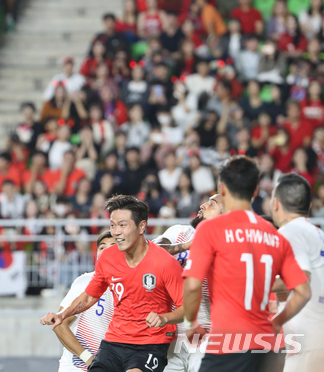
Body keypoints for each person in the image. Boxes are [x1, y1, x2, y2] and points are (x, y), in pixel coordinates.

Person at [183, 156, 311, 372]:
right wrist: (277, 321)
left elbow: (193, 285)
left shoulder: (210, 229)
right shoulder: (275, 235)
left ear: (223, 188)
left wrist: (190, 324)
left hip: (229, 341)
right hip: (269, 345)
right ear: (255, 191)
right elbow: (304, 291)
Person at [41, 195, 185, 372]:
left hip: (150, 344)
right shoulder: (108, 258)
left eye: (122, 225)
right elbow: (89, 296)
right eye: (112, 225)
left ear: (142, 226)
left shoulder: (165, 263)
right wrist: (62, 315)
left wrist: (164, 318)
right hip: (114, 342)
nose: (116, 232)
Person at [154, 194, 224, 372]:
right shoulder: (179, 231)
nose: (203, 205)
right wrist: (186, 245)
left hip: (205, 335)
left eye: (212, 204)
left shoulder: (229, 246)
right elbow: (150, 252)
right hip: (169, 336)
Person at [270, 173, 324, 371]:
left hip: (306, 336)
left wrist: (259, 283)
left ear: (276, 203)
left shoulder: (290, 232)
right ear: (309, 205)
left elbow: (301, 279)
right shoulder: (317, 232)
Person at [53, 230, 116, 371]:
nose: (106, 251)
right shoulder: (85, 281)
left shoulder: (130, 287)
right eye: (102, 247)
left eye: (113, 246)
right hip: (77, 366)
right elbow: (59, 324)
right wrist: (89, 359)